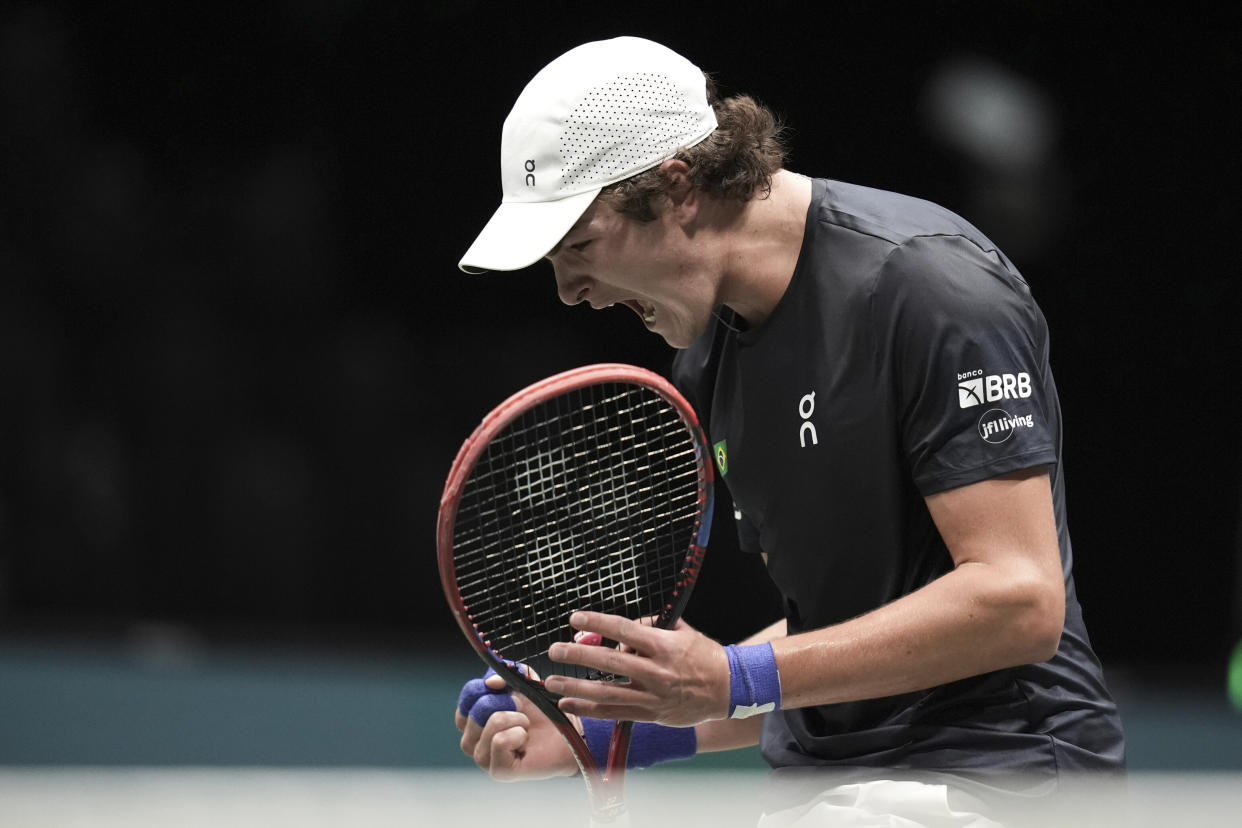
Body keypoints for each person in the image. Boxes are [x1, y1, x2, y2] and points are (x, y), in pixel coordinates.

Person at [453, 36, 1125, 825]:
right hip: (829, 787)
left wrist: (737, 674)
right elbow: (828, 639)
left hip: (998, 777)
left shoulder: (928, 290)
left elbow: (1021, 599)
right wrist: (620, 730)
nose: (569, 291)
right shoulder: (707, 361)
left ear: (677, 187)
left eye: (579, 246)